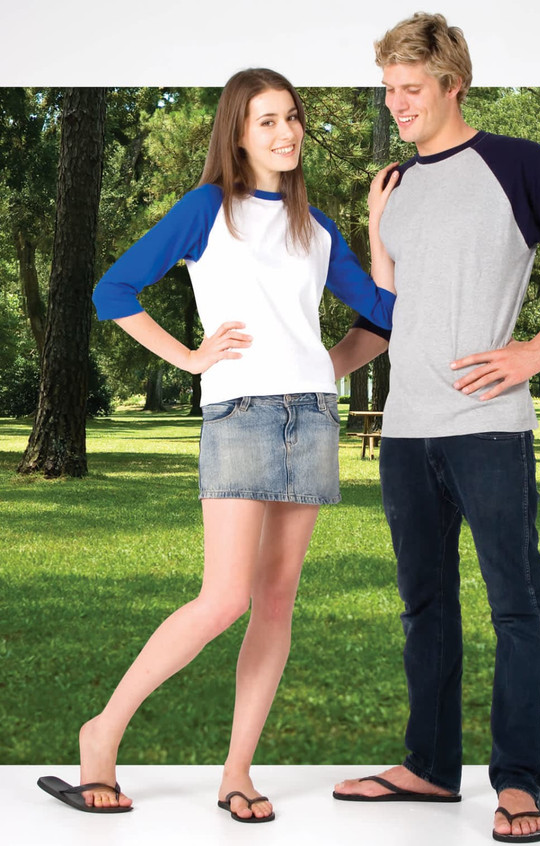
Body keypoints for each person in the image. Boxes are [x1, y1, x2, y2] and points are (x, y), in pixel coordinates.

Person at [36, 68, 394, 823]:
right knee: (225, 596)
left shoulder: (316, 227)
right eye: (266, 121)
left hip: (313, 416)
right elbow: (113, 292)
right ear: (236, 132)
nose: (286, 133)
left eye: (292, 118)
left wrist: (328, 359)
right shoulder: (208, 209)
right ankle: (100, 733)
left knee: (276, 601)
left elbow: (385, 314)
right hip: (240, 412)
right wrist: (191, 358)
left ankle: (238, 772)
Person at [330, 13, 540, 843]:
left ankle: (520, 785)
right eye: (388, 88)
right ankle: (429, 767)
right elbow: (391, 312)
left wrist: (535, 349)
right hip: (407, 428)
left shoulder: (516, 164)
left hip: (487, 425)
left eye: (411, 89)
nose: (397, 103)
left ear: (452, 84)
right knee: (424, 604)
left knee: (515, 605)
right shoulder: (393, 183)